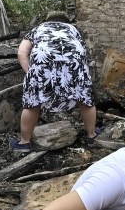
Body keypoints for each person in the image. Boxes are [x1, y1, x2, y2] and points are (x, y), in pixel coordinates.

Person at [11, 11, 99, 151]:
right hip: (73, 62)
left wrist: (32, 74)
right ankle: (92, 136)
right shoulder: (73, 29)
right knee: (84, 98)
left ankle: (24, 143)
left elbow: (22, 52)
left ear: (47, 21)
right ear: (66, 21)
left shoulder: (38, 29)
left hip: (43, 62)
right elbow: (81, 50)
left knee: (33, 102)